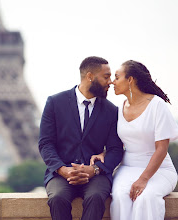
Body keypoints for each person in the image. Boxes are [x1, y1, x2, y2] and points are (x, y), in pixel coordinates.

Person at [91, 60, 178, 220]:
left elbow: (162, 149)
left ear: (130, 80)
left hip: (160, 170)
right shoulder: (119, 109)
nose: (112, 81)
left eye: (117, 77)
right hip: (127, 167)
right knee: (120, 197)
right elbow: (118, 144)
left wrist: (143, 179)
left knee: (146, 198)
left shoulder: (157, 106)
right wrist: (103, 154)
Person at [38, 56, 124, 220]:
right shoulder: (55, 103)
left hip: (96, 175)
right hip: (60, 173)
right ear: (90, 76)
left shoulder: (111, 111)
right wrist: (63, 170)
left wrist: (95, 169)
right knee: (57, 198)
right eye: (106, 77)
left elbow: (115, 149)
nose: (111, 82)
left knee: (96, 198)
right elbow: (45, 143)